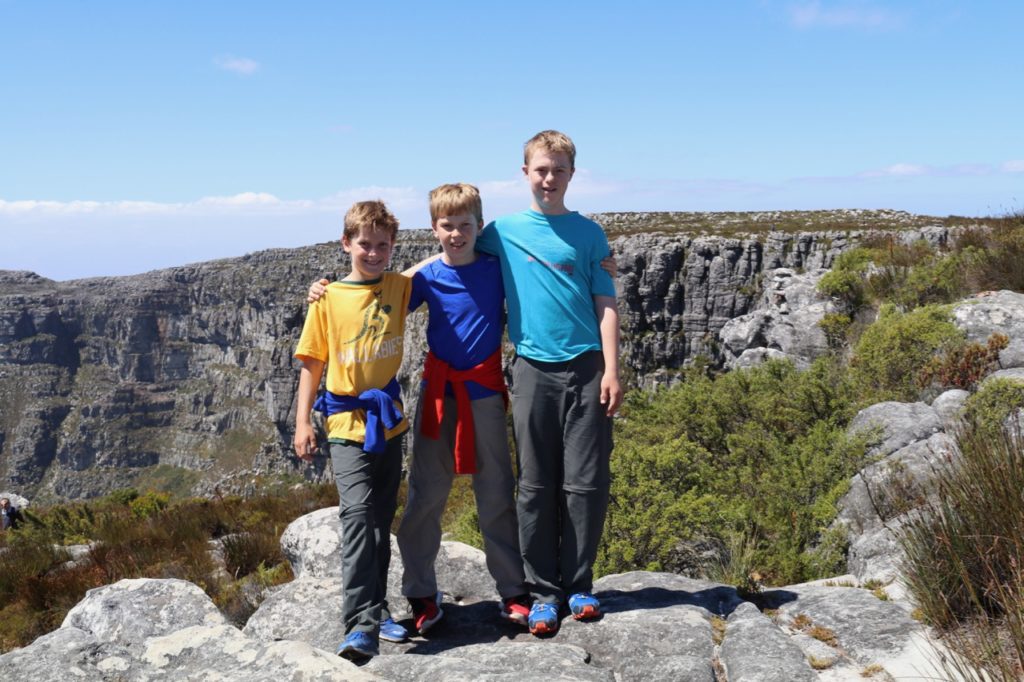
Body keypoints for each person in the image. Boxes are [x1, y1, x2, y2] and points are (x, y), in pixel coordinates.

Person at [474, 130, 622, 636]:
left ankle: (579, 584)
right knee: (535, 486)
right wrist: (354, 283)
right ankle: (543, 593)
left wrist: (612, 370)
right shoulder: (503, 231)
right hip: (532, 369)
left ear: (572, 174)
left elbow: (606, 304)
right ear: (525, 173)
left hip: (586, 370)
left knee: (585, 484)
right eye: (541, 169)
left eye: (558, 169)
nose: (549, 178)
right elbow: (452, 254)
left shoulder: (589, 235)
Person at [395, 183, 532, 634]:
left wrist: (602, 266)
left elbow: (548, 276)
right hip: (438, 394)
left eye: (465, 225)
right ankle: (420, 594)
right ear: (435, 228)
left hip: (485, 391)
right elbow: (377, 299)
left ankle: (513, 591)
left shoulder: (497, 268)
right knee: (426, 494)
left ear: (479, 225)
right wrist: (324, 291)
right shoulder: (427, 277)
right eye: (447, 226)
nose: (457, 234)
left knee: (495, 490)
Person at [293, 200, 414, 661]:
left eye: (383, 245)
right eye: (365, 244)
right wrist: (304, 422)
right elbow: (311, 364)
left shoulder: (400, 286)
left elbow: (446, 259)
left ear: (392, 247)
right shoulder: (326, 299)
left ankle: (378, 610)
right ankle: (359, 625)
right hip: (345, 423)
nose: (374, 252)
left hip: (389, 422)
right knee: (359, 517)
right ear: (346, 243)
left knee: (381, 523)